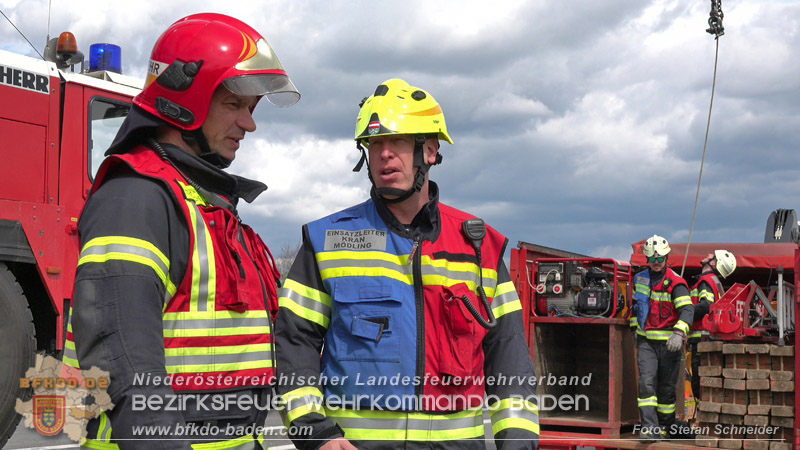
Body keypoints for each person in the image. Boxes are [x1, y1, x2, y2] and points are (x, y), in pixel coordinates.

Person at [61, 13, 300, 449]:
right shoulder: (134, 199)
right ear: (184, 102)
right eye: (233, 105)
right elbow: (125, 364)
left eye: (251, 109)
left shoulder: (202, 201)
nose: (250, 125)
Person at [273, 78, 539, 450]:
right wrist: (314, 432)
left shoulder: (481, 247)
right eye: (375, 143)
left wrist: (518, 445)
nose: (384, 154)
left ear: (429, 150)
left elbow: (508, 355)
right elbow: (293, 340)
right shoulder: (328, 240)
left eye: (397, 142)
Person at [630, 235, 694, 442]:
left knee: (666, 388)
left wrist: (678, 333)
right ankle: (649, 428)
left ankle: (664, 428)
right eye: (652, 259)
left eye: (660, 259)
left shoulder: (677, 283)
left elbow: (687, 310)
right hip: (647, 342)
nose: (656, 263)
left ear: (667, 258)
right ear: (647, 260)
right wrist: (634, 330)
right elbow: (635, 308)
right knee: (646, 383)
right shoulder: (640, 279)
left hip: (670, 345)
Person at [687, 250, 737, 403]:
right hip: (709, 339)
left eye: (711, 256)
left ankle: (703, 419)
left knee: (699, 383)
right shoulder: (715, 282)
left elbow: (705, 306)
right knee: (707, 381)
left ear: (714, 263)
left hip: (701, 340)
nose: (708, 255)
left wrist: (684, 313)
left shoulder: (706, 281)